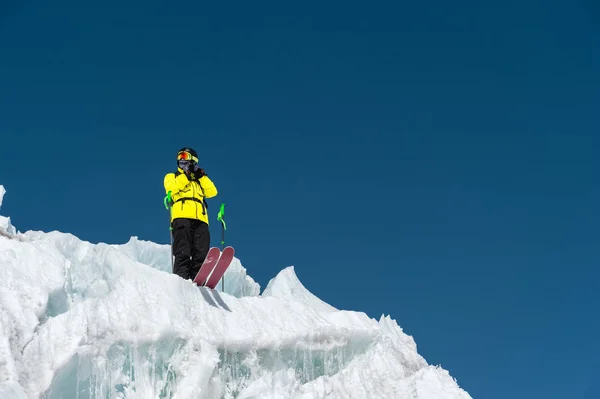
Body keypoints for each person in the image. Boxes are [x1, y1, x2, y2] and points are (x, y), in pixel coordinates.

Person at [164, 147, 218, 280]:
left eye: (185, 158)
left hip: (201, 219)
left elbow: (212, 192)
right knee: (183, 251)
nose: (181, 161)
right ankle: (181, 280)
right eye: (180, 159)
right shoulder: (173, 176)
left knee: (201, 252)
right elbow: (171, 188)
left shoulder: (199, 181)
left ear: (193, 160)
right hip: (182, 217)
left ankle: (197, 281)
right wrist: (186, 175)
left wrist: (202, 177)